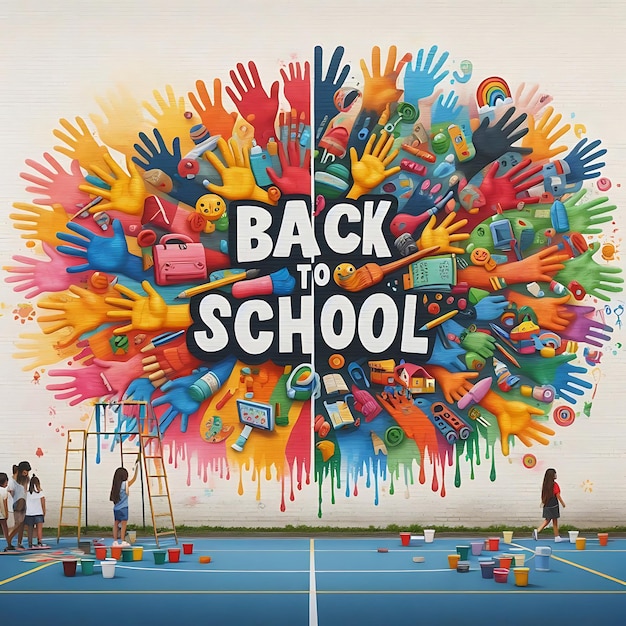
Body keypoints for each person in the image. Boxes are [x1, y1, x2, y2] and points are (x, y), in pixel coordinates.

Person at [533, 468, 566, 542]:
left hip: (547, 504)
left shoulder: (545, 485)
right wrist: (562, 503)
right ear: (552, 475)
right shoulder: (555, 485)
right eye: (555, 474)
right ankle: (554, 536)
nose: (556, 475)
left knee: (548, 519)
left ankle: (556, 536)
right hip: (554, 504)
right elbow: (558, 495)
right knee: (554, 521)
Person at [109, 462, 139, 544]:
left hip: (116, 508)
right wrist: (136, 470)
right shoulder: (124, 484)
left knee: (116, 524)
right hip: (124, 508)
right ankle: (122, 541)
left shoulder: (115, 485)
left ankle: (115, 541)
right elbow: (133, 479)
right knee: (123, 524)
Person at [6, 461, 31, 551]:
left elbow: (25, 488)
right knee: (17, 524)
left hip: (23, 504)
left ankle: (19, 543)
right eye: (25, 472)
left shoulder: (26, 479)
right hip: (16, 504)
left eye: (27, 472)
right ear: (20, 471)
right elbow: (10, 492)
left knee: (21, 525)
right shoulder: (13, 481)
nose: (26, 474)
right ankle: (9, 541)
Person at [25, 475, 48, 549]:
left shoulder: (27, 493)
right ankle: (39, 542)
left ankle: (30, 543)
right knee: (39, 529)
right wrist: (44, 512)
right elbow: (43, 503)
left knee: (30, 529)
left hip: (29, 513)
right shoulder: (40, 493)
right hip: (38, 513)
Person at [0, 473, 10, 549]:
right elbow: (5, 504)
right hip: (1, 514)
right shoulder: (4, 491)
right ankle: (8, 543)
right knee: (5, 528)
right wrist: (6, 514)